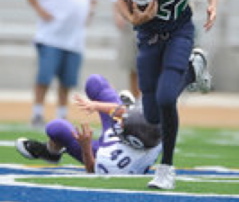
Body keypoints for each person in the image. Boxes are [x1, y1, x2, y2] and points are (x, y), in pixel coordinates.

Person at [114, 0, 218, 189]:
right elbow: (120, 0)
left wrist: (213, 4)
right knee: (151, 113)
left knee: (166, 98)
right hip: (148, 35)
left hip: (180, 29)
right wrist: (134, 19)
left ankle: (166, 168)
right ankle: (194, 72)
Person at [18, 0, 101, 127]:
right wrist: (40, 10)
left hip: (75, 38)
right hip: (51, 36)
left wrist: (89, 12)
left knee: (67, 81)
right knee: (44, 77)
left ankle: (62, 115)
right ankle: (37, 113)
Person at [15, 74, 163, 175]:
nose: (121, 119)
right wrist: (95, 105)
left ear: (131, 140)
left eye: (123, 122)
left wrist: (85, 147)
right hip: (128, 136)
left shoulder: (116, 163)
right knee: (95, 82)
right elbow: (125, 113)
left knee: (56, 128)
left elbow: (92, 170)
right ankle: (128, 105)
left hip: (102, 150)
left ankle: (51, 152)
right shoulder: (156, 131)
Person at [111, 0, 141, 100]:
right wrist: (118, 15)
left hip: (150, 20)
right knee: (133, 66)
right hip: (131, 21)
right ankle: (136, 100)